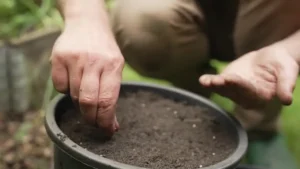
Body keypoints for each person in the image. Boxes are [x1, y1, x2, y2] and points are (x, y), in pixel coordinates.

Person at [50, 0, 300, 140]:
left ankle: (257, 126)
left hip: (276, 16)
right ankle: (195, 97)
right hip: (196, 9)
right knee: (140, 24)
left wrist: (290, 50)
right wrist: (85, 19)